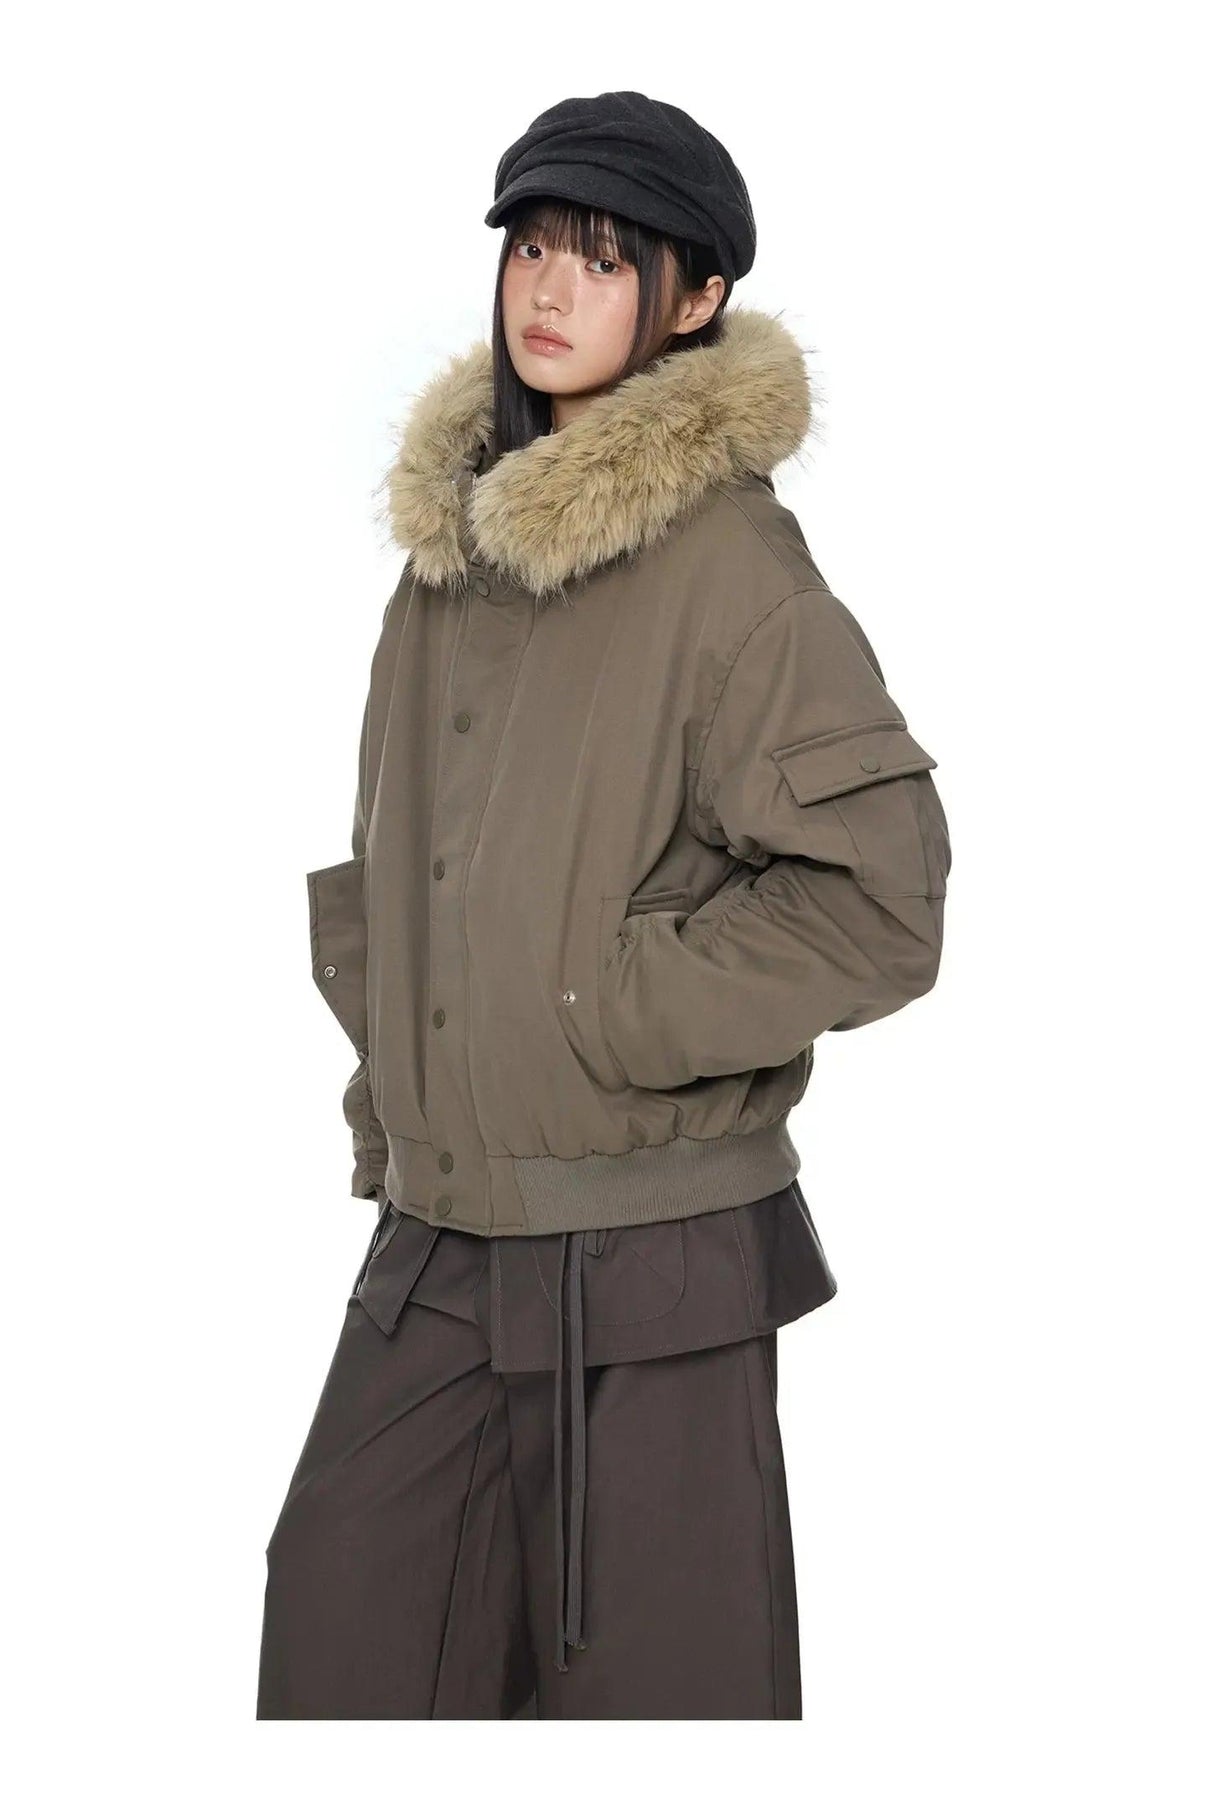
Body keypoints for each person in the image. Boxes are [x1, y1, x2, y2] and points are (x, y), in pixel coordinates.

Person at [256, 90, 952, 1721]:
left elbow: (882, 902)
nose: (551, 289)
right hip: (439, 1241)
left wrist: (604, 1004)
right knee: (341, 1636)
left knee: (661, 1703)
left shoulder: (738, 573)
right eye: (532, 249)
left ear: (696, 298)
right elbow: (410, 856)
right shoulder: (449, 558)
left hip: (652, 1255)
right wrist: (398, 1076)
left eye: (606, 259)